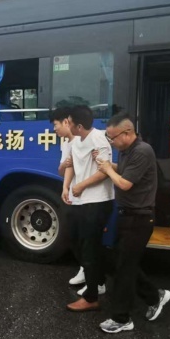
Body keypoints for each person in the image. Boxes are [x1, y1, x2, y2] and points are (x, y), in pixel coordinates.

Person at [95, 113, 170, 333]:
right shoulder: (127, 150)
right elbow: (125, 171)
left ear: (127, 133)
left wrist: (108, 170)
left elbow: (125, 183)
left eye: (112, 137)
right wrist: (108, 165)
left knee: (124, 269)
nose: (111, 141)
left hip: (139, 217)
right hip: (126, 215)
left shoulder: (142, 150)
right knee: (120, 262)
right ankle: (154, 296)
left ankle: (122, 318)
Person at [64, 105, 114, 312]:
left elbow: (105, 171)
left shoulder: (99, 139)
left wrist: (82, 185)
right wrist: (67, 187)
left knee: (89, 248)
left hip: (97, 200)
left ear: (79, 126)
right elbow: (71, 165)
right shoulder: (76, 140)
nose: (66, 125)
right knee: (74, 240)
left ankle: (91, 297)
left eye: (69, 122)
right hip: (80, 200)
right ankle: (98, 282)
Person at [49, 107, 85, 287]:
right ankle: (84, 269)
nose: (54, 129)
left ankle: (90, 275)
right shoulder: (66, 144)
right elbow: (62, 170)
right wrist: (65, 186)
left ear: (66, 122)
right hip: (72, 196)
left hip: (85, 197)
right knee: (72, 235)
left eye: (55, 125)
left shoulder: (82, 141)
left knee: (85, 237)